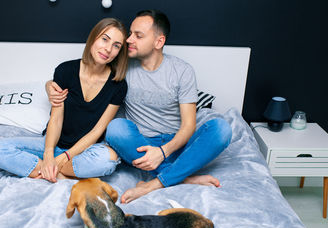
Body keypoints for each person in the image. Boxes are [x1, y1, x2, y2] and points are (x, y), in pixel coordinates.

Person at [46, 10, 232, 203]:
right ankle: (182, 176)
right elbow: (87, 75)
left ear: (159, 42)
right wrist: (48, 86)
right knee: (116, 129)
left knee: (221, 129)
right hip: (139, 145)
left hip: (176, 145)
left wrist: (162, 152)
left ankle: (155, 183)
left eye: (138, 35)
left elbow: (188, 126)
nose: (128, 40)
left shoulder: (182, 71)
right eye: (130, 34)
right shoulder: (122, 69)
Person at [0, 18, 128, 183]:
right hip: (53, 145)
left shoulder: (118, 85)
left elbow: (97, 131)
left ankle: (50, 171)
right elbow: (56, 119)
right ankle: (62, 176)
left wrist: (64, 158)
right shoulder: (65, 71)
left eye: (116, 45)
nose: (108, 48)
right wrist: (49, 155)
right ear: (93, 38)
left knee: (109, 159)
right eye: (105, 39)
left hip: (84, 150)